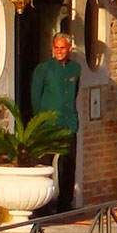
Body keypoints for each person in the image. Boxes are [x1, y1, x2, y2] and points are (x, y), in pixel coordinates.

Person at [30, 33, 82, 212]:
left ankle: (65, 204)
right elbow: (35, 97)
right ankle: (42, 205)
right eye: (56, 48)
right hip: (48, 125)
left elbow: (74, 93)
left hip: (68, 123)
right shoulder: (43, 69)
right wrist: (40, 120)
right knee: (45, 164)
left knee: (68, 164)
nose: (59, 51)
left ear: (69, 49)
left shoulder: (75, 69)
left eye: (63, 48)